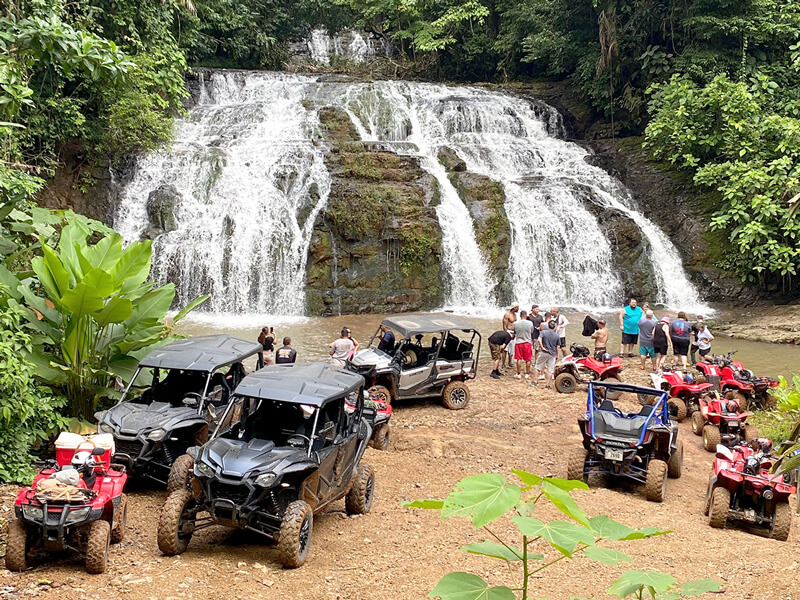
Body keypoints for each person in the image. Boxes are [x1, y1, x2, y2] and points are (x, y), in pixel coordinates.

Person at [535, 320, 560, 389]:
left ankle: (535, 381)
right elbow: (558, 347)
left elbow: (539, 339)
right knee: (550, 370)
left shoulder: (543, 332)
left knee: (537, 367)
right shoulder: (557, 335)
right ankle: (547, 385)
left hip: (544, 352)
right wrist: (557, 355)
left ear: (548, 326)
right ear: (554, 327)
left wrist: (542, 347)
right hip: (552, 354)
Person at [513, 310, 534, 380]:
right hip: (527, 342)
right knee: (528, 359)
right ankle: (527, 374)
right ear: (526, 315)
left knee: (518, 359)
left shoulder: (516, 323)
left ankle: (518, 373)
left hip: (518, 342)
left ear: (520, 316)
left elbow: (515, 331)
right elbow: (532, 331)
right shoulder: (530, 323)